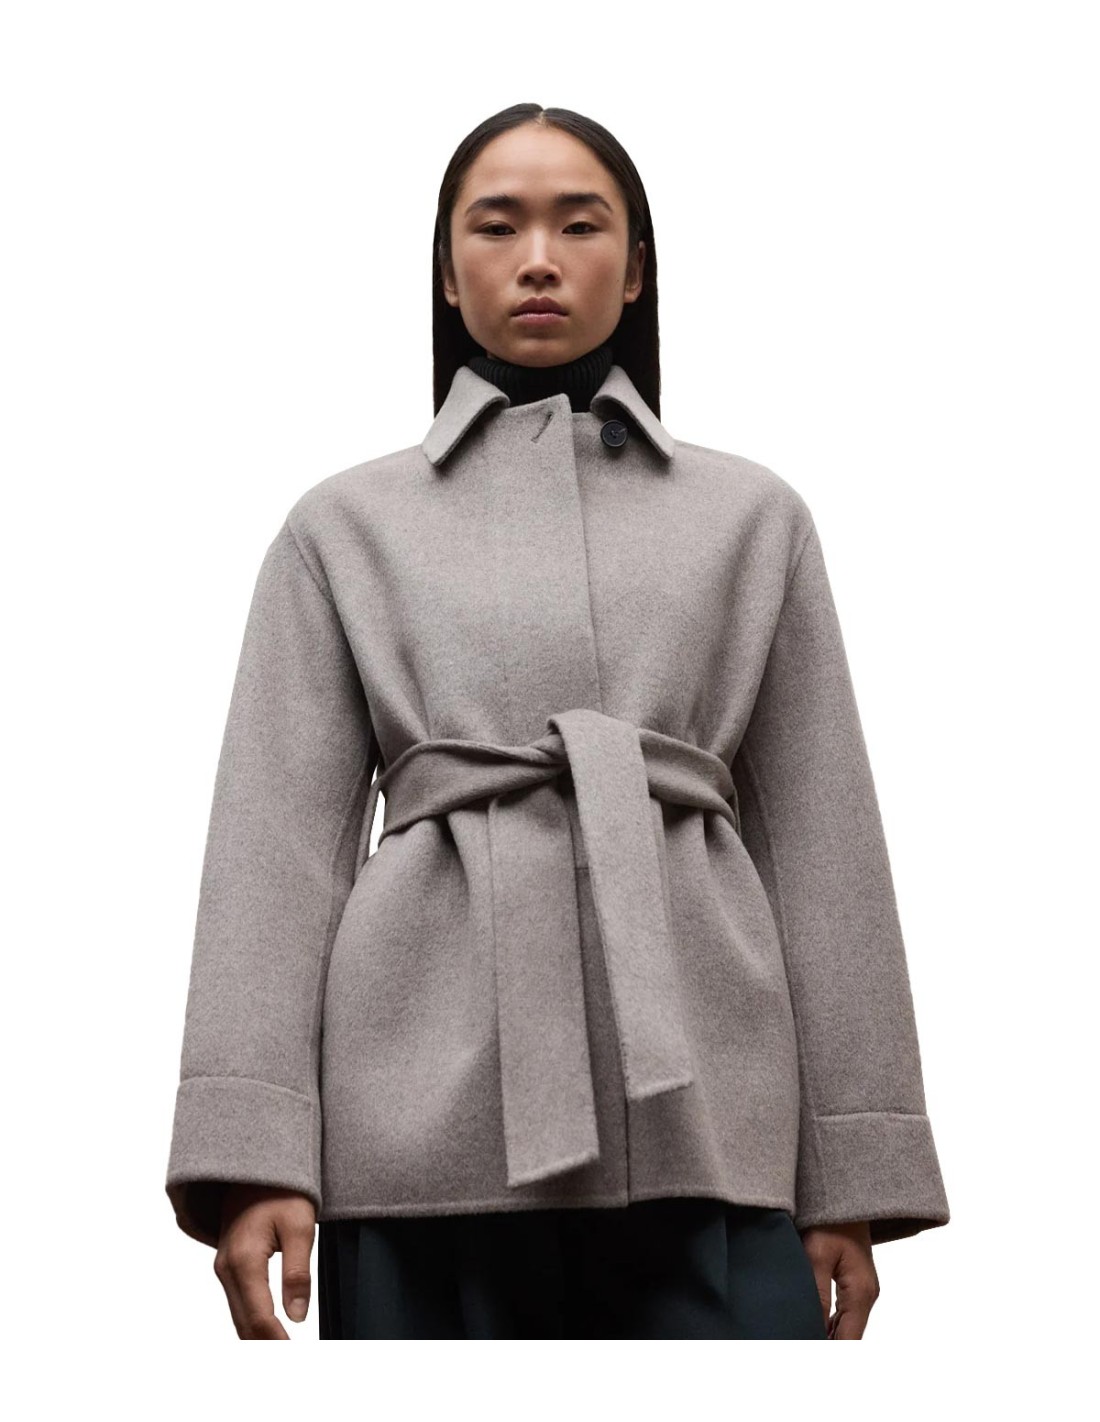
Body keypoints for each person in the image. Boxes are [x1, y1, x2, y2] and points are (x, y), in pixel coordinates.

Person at [165, 103, 950, 1340]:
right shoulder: (342, 527)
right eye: (497, 226)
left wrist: (851, 1168)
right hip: (414, 1117)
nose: (538, 258)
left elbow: (823, 849)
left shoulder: (752, 519)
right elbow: (272, 857)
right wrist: (254, 1154)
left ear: (635, 270)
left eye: (579, 226)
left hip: (709, 1109)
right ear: (445, 270)